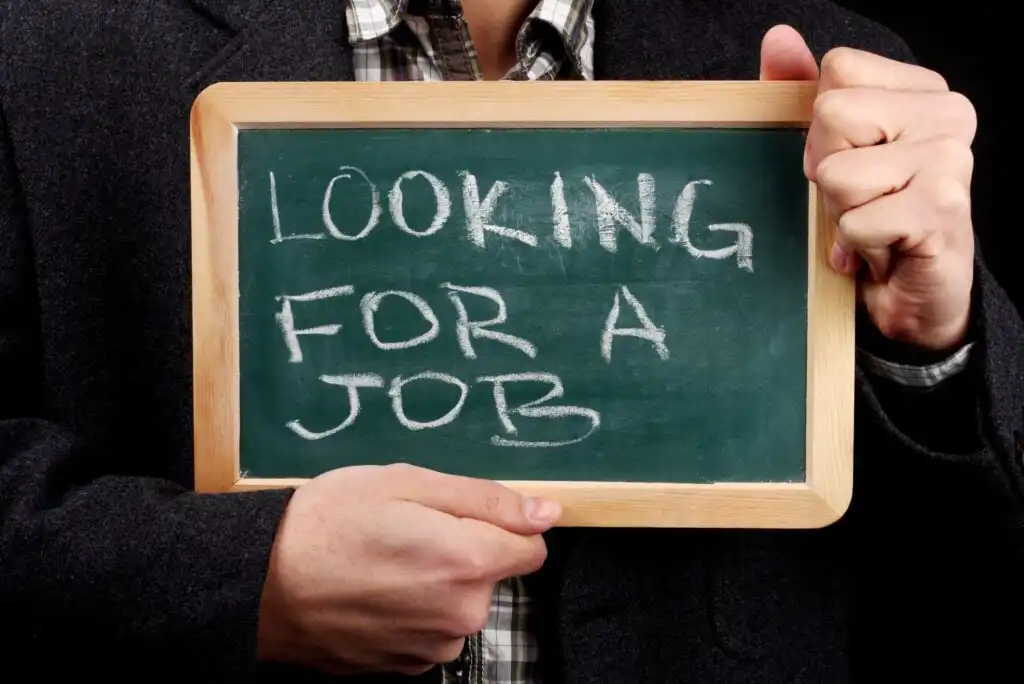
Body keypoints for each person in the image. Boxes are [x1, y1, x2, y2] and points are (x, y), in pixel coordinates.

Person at [0, 0, 1020, 681]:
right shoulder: (49, 54)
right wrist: (234, 578)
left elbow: (958, 594)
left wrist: (927, 348)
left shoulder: (841, 85)